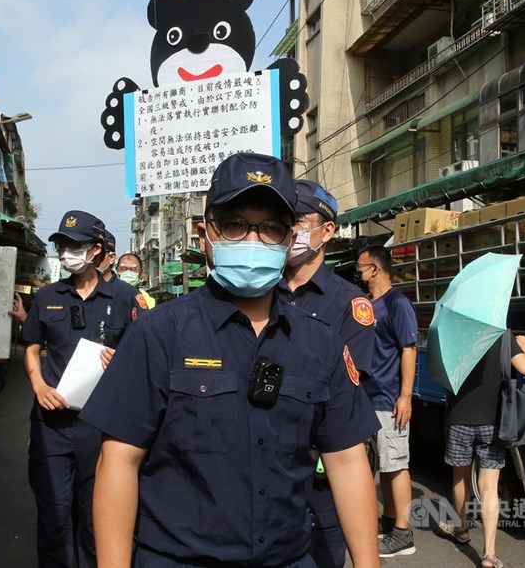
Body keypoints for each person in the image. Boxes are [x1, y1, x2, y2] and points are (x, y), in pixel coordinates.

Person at [84, 152, 381, 568]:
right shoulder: (158, 334)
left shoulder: (321, 342)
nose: (253, 241)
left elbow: (348, 462)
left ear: (287, 238)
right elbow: (119, 461)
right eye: (236, 225)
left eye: (271, 228)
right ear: (206, 233)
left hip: (290, 557)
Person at [19, 210, 141, 568]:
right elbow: (31, 345)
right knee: (54, 515)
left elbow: (142, 358)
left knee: (95, 516)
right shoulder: (47, 297)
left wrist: (119, 361)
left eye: (77, 245)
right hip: (50, 425)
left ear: (98, 251)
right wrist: (38, 385)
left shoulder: (125, 298)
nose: (68, 252)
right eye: (63, 246)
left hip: (101, 426)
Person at [276, 179, 378, 568]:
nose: (290, 232)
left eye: (299, 221)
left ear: (327, 230)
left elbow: (350, 386)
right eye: (283, 222)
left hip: (322, 466)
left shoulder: (349, 303)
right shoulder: (263, 292)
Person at [439, 332, 525, 568]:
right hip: (492, 421)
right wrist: (524, 346)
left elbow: (442, 377)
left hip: (459, 417)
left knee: (460, 479)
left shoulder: (454, 335)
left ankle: (461, 529)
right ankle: (489, 555)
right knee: (489, 486)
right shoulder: (501, 335)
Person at [356, 245, 418, 557]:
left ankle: (404, 535)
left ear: (376, 269)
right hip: (369, 396)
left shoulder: (397, 303)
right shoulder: (369, 304)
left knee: (396, 464)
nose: (359, 273)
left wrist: (405, 397)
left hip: (389, 398)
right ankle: (390, 520)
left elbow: (409, 348)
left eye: (361, 267)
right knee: (383, 464)